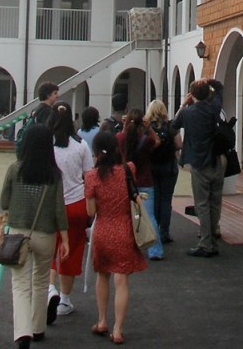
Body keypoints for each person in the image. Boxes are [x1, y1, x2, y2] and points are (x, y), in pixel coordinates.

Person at [0, 123, 69, 349]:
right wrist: (65, 239)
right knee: (40, 280)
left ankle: (22, 333)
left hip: (19, 234)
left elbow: (3, 202)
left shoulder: (14, 169)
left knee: (20, 284)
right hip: (46, 235)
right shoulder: (54, 175)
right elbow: (60, 209)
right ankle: (38, 327)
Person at [85, 129, 147, 344]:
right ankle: (118, 329)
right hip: (124, 229)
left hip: (102, 230)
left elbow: (91, 212)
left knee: (102, 276)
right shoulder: (128, 169)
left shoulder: (91, 177)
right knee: (121, 281)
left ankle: (102, 320)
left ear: (96, 152)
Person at [171, 78, 226, 257]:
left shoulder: (188, 113)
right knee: (215, 202)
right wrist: (210, 80)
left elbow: (173, 125)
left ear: (192, 95)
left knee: (202, 203)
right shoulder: (214, 108)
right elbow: (220, 88)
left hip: (199, 163)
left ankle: (206, 243)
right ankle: (213, 237)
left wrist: (183, 104)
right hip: (217, 160)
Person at [47, 103, 92, 319]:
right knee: (71, 251)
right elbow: (89, 176)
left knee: (48, 249)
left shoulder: (46, 144)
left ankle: (48, 289)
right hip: (75, 204)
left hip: (49, 204)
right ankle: (64, 300)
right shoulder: (81, 144)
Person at [117, 108, 163, 260]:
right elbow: (157, 142)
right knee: (149, 216)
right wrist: (149, 128)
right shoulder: (146, 139)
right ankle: (155, 250)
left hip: (126, 181)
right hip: (145, 180)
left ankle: (126, 247)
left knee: (125, 216)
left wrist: (124, 126)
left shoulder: (120, 137)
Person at [145, 99, 180, 244]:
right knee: (166, 200)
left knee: (155, 199)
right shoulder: (171, 126)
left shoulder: (147, 128)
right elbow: (179, 144)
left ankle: (154, 231)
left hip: (151, 167)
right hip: (169, 166)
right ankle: (164, 232)